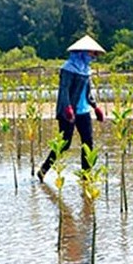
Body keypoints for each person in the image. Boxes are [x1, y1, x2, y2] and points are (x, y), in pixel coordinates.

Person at [37, 34, 106, 182]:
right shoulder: (68, 69)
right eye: (92, 53)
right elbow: (64, 90)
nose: (93, 56)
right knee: (64, 144)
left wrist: (95, 107)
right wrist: (67, 108)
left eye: (95, 54)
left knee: (88, 143)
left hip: (83, 111)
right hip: (68, 112)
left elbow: (88, 92)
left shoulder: (86, 70)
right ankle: (43, 170)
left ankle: (86, 176)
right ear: (82, 52)